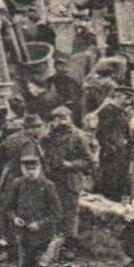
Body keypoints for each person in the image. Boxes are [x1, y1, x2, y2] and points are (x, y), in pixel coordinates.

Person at [0, 152, 63, 267]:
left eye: (33, 168)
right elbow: (8, 208)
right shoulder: (17, 184)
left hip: (43, 237)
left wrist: (40, 224)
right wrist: (14, 218)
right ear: (22, 168)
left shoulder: (48, 186)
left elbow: (57, 213)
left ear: (39, 168)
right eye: (27, 168)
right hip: (24, 236)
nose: (30, 172)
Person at [40, 105, 94, 252]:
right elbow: (43, 148)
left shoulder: (78, 136)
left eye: (64, 118)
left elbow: (89, 160)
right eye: (57, 119)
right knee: (52, 212)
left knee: (69, 215)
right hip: (53, 179)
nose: (61, 122)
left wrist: (70, 164)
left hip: (70, 180)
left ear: (70, 119)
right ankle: (53, 247)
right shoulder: (51, 135)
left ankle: (70, 247)